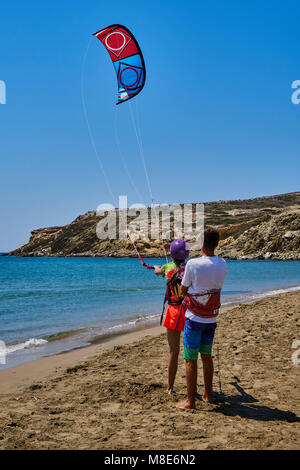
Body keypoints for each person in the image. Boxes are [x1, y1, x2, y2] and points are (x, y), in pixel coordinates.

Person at [176, 227, 227, 410]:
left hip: (194, 319)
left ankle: (190, 402)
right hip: (211, 319)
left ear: (202, 244)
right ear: (217, 244)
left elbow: (183, 289)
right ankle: (207, 394)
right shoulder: (223, 263)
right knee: (206, 356)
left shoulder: (192, 264)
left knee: (190, 359)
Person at [154, 240, 189, 394]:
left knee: (173, 351)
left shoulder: (167, 267)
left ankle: (170, 388)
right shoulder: (190, 268)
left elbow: (158, 272)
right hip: (188, 311)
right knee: (190, 352)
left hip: (174, 312)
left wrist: (157, 268)